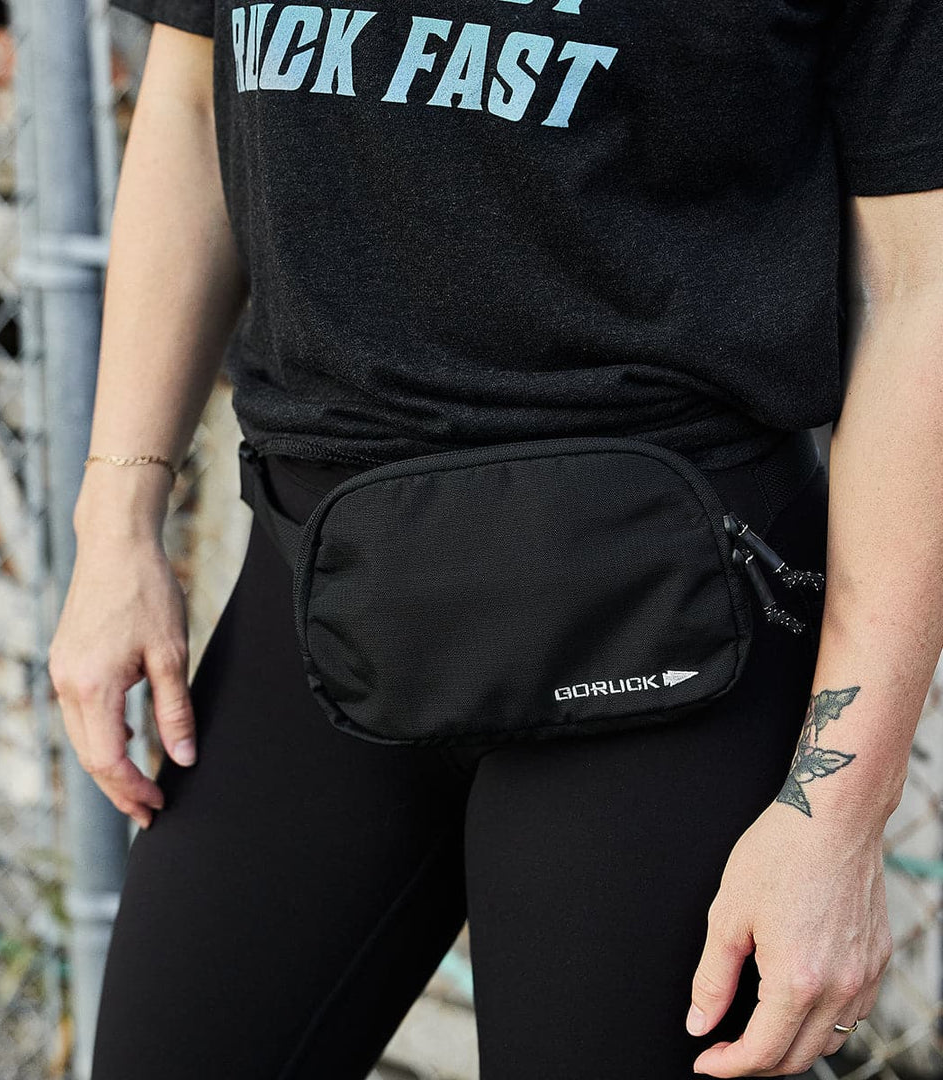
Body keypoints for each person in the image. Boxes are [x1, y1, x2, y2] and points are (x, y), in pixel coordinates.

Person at [46, 0, 943, 1075]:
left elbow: (924, 282)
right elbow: (194, 99)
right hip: (323, 587)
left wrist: (840, 810)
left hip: (669, 624)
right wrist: (115, 525)